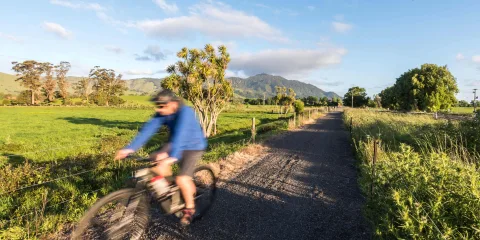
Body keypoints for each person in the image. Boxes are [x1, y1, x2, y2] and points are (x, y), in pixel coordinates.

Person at [114, 89, 207, 226]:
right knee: (156, 160)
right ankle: (171, 189)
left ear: (173, 104)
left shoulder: (185, 112)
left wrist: (173, 157)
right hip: (175, 142)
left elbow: (181, 134)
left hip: (193, 145)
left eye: (162, 106)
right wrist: (130, 148)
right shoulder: (162, 113)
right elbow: (147, 130)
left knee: (182, 178)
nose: (160, 109)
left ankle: (189, 208)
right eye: (158, 106)